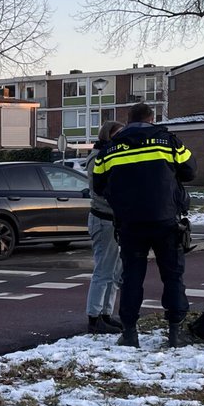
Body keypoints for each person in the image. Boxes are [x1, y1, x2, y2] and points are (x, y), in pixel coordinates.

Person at [93, 102, 197, 349]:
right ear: (152, 119)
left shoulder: (110, 149)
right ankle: (174, 332)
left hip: (130, 223)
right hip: (166, 221)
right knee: (172, 276)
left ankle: (129, 333)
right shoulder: (169, 142)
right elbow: (190, 171)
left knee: (131, 278)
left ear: (128, 121)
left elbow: (98, 185)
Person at [85, 121, 124, 333]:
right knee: (103, 270)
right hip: (104, 219)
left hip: (113, 219)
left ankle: (106, 313)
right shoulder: (98, 158)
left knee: (114, 271)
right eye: (119, 134)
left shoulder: (110, 155)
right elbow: (100, 190)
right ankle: (94, 317)